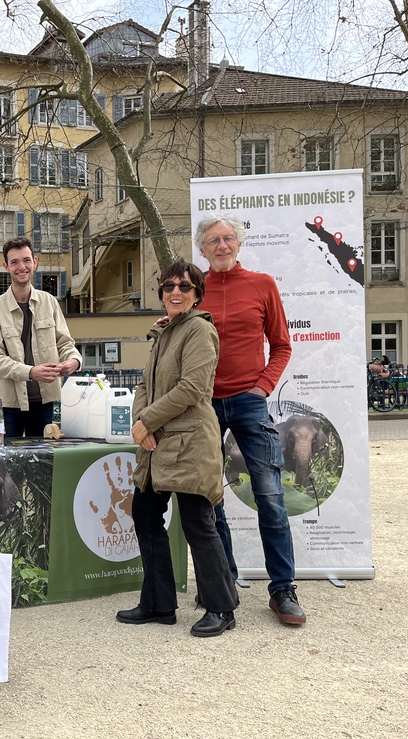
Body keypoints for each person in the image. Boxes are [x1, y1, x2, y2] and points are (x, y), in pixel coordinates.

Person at [115, 260, 238, 637]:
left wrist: (147, 421)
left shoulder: (199, 331)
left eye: (184, 286)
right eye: (169, 286)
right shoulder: (163, 332)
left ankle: (221, 607)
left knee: (199, 522)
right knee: (145, 512)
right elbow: (143, 387)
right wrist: (141, 424)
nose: (175, 292)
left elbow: (192, 388)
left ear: (197, 294)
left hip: (190, 442)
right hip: (157, 443)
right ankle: (158, 603)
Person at [195, 214, 305, 626]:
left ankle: (283, 590)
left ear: (238, 244)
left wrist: (261, 387)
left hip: (248, 401)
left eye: (227, 239)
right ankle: (221, 582)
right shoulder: (194, 290)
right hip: (202, 405)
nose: (221, 246)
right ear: (202, 249)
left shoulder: (262, 285)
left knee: (271, 498)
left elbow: (281, 345)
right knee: (209, 497)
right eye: (212, 241)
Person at [0, 236, 81, 438]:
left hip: (44, 399)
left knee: (42, 463)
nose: (22, 267)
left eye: (26, 260)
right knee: (8, 463)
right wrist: (30, 372)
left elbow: (65, 343)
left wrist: (74, 360)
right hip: (9, 403)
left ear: (35, 262)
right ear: (6, 266)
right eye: (15, 262)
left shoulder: (50, 302)